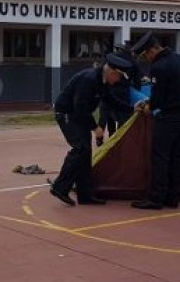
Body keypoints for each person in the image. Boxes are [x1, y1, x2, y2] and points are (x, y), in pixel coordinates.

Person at [50, 53, 132, 206]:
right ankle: (60, 187)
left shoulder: (103, 82)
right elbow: (79, 106)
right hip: (67, 113)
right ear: (112, 72)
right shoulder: (89, 79)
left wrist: (133, 110)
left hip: (79, 115)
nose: (118, 82)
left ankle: (85, 195)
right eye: (119, 78)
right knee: (80, 148)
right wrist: (95, 128)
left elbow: (111, 101)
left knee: (86, 153)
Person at [130, 31, 180, 210]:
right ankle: (173, 197)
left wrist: (146, 107)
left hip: (170, 117)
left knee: (160, 157)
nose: (146, 60)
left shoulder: (159, 66)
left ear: (152, 50)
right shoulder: (179, 59)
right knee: (177, 157)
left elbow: (158, 98)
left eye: (145, 55)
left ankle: (156, 198)